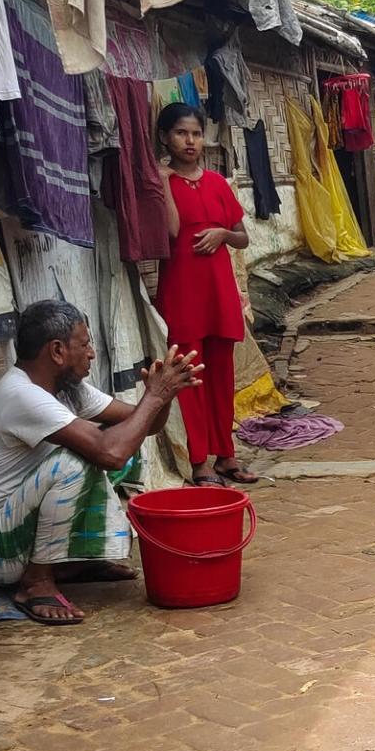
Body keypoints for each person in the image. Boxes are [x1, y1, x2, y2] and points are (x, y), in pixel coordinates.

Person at [0, 299, 200, 625]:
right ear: (57, 351)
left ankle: (77, 559)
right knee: (78, 460)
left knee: (125, 436)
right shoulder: (21, 395)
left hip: (20, 530)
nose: (92, 353)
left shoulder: (68, 390)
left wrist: (161, 396)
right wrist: (154, 396)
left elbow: (144, 425)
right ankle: (35, 583)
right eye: (84, 345)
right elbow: (110, 454)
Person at [153, 102, 255, 487]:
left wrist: (223, 235)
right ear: (166, 137)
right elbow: (174, 231)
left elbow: (242, 237)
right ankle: (200, 462)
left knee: (222, 378)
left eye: (195, 133)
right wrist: (163, 181)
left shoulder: (216, 183)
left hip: (218, 293)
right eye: (181, 133)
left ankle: (226, 455)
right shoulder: (161, 184)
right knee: (190, 378)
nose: (190, 140)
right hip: (182, 293)